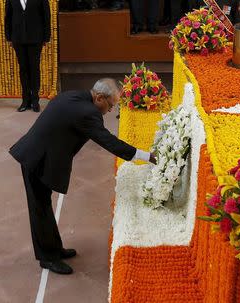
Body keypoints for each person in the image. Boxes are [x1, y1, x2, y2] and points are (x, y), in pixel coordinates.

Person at [9, 78, 156, 275]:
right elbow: (108, 142)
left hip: (39, 153)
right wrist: (147, 156)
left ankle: (54, 249)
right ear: (99, 97)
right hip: (36, 159)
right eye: (110, 105)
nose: (110, 110)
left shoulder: (74, 95)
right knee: (39, 209)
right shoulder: (88, 113)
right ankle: (48, 258)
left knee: (43, 206)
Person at [4, 0, 51, 112]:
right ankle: (25, 101)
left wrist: (46, 37)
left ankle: (35, 101)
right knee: (23, 69)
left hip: (36, 38)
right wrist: (8, 37)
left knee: (34, 69)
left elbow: (46, 16)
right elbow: (8, 17)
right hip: (18, 38)